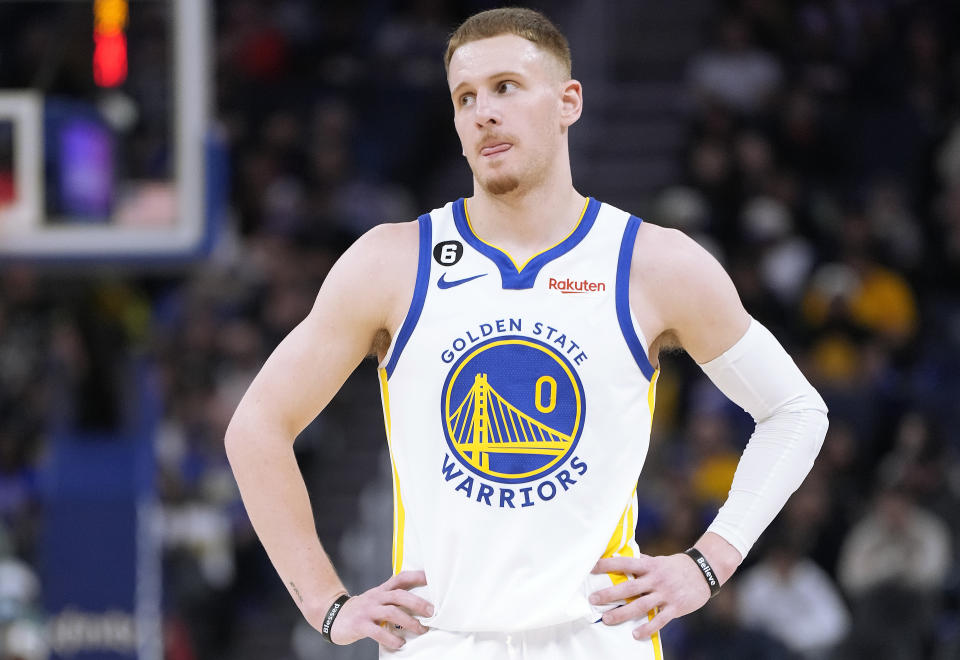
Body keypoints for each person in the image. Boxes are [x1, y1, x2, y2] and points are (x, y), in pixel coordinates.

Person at [225, 8, 829, 659]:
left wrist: (709, 562)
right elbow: (256, 426)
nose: (483, 111)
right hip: (442, 642)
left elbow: (795, 410)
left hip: (599, 640)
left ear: (569, 101)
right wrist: (325, 603)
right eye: (465, 97)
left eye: (506, 87)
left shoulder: (653, 263)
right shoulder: (392, 262)